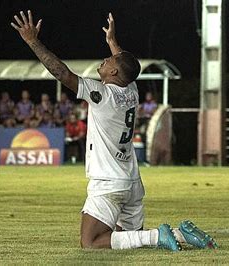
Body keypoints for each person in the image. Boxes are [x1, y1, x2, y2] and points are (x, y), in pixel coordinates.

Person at [11, 10, 217, 251]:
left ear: (114, 73)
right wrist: (112, 43)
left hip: (108, 182)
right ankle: (179, 234)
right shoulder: (132, 90)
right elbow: (124, 62)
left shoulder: (102, 95)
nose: (105, 60)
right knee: (125, 239)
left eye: (109, 62)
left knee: (90, 243)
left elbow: (62, 73)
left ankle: (158, 235)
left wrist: (33, 41)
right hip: (131, 181)